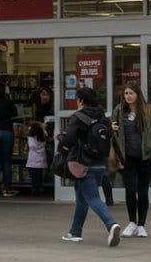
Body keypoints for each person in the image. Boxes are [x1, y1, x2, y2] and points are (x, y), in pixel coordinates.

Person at [57, 86, 121, 247]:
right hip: (100, 164)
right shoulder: (103, 118)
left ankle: (111, 225)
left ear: (81, 100)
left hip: (83, 164)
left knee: (92, 197)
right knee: (81, 197)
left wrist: (60, 138)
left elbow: (69, 140)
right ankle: (75, 232)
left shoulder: (77, 117)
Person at [111, 81, 151, 237]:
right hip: (127, 157)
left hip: (145, 157)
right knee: (130, 190)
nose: (128, 96)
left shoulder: (149, 110)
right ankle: (132, 223)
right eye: (126, 94)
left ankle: (141, 225)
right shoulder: (119, 110)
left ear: (138, 94)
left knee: (143, 191)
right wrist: (112, 128)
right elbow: (110, 127)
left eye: (131, 93)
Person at [25, 121, 49, 196]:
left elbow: (32, 146)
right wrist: (43, 127)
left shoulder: (31, 137)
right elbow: (45, 132)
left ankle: (34, 190)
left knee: (33, 177)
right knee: (39, 176)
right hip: (41, 159)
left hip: (32, 159)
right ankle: (40, 189)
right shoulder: (43, 136)